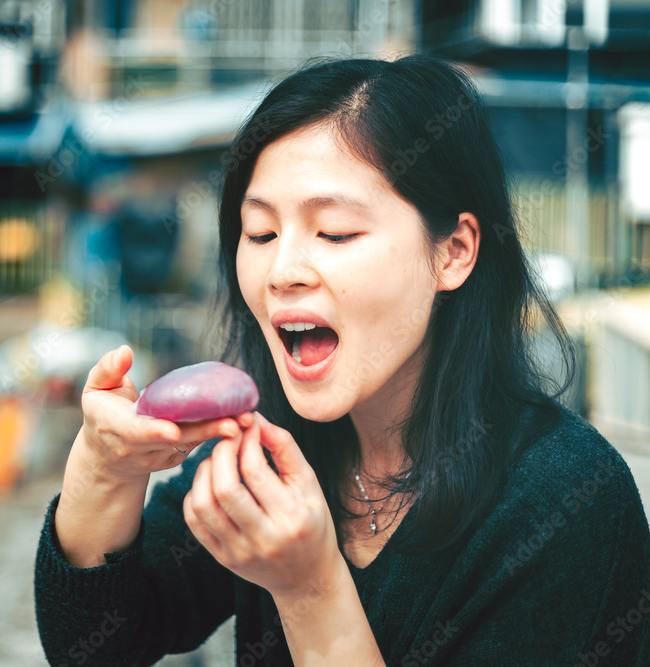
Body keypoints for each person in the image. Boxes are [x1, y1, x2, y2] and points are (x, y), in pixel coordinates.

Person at [33, 54, 650, 666]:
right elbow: (96, 645)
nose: (282, 272)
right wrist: (103, 468)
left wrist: (309, 590)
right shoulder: (272, 452)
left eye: (334, 233)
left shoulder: (567, 504)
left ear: (454, 252)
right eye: (261, 234)